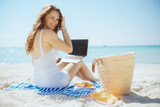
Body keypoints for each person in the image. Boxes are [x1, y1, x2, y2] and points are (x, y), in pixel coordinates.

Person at [25, 5, 97, 88]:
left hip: (39, 81)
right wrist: (63, 28)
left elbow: (35, 62)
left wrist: (54, 61)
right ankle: (95, 80)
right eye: (52, 17)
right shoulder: (48, 33)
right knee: (78, 61)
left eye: (57, 19)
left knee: (64, 62)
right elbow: (69, 49)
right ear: (44, 16)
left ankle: (87, 78)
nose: (55, 22)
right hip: (52, 83)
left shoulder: (34, 34)